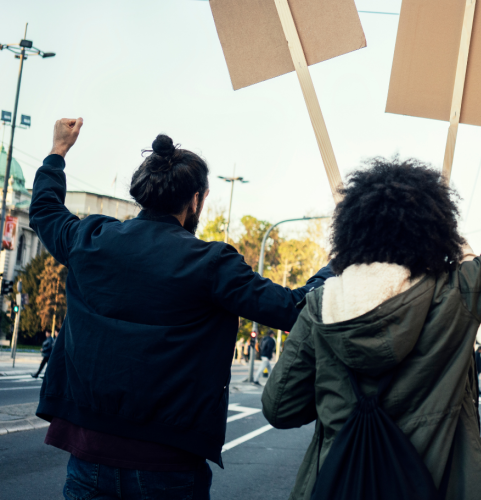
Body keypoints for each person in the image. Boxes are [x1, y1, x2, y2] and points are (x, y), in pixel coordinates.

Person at [262, 96, 481, 500]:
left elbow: (280, 408)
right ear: (435, 229)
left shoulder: (321, 306)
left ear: (352, 232)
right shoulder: (458, 293)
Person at [30, 119, 333, 499]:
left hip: (87, 457)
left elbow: (44, 211)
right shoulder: (211, 263)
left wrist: (57, 152)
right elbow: (294, 308)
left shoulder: (90, 239)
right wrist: (338, 263)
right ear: (196, 200)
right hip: (168, 466)